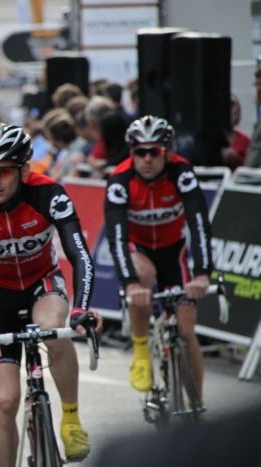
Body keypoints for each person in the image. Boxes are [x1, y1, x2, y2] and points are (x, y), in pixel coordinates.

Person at [0, 123, 102, 466]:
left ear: (23, 169)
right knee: (5, 400)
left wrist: (82, 308)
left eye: (3, 171)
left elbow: (79, 255)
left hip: (42, 284)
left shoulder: (49, 195)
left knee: (52, 327)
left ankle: (71, 418)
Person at [104, 115, 213, 400]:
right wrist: (129, 283)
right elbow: (116, 236)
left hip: (174, 252)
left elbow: (199, 224)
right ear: (132, 153)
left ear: (168, 152)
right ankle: (141, 348)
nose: (148, 159)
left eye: (156, 151)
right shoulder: (120, 180)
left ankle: (196, 405)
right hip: (138, 249)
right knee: (143, 277)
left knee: (187, 334)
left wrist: (202, 274)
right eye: (141, 152)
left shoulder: (182, 173)